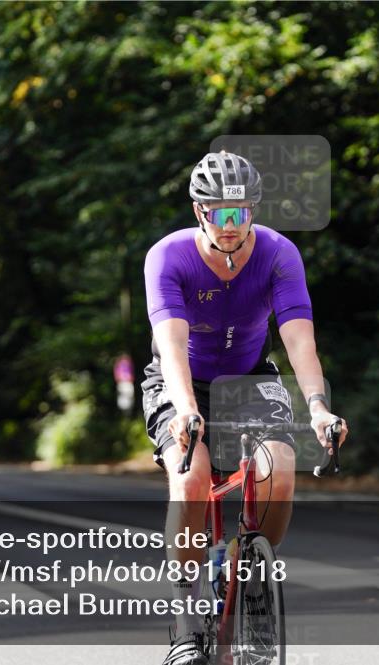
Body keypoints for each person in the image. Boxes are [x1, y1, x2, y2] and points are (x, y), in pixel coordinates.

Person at [142, 151, 348, 665]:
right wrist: (186, 411)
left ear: (253, 211)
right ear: (199, 212)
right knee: (192, 481)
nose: (230, 225)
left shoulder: (279, 253)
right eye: (219, 213)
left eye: (241, 212)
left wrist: (319, 407)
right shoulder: (167, 257)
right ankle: (187, 612)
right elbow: (169, 348)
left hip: (251, 376)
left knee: (278, 473)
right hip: (181, 379)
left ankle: (248, 568)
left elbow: (300, 341)